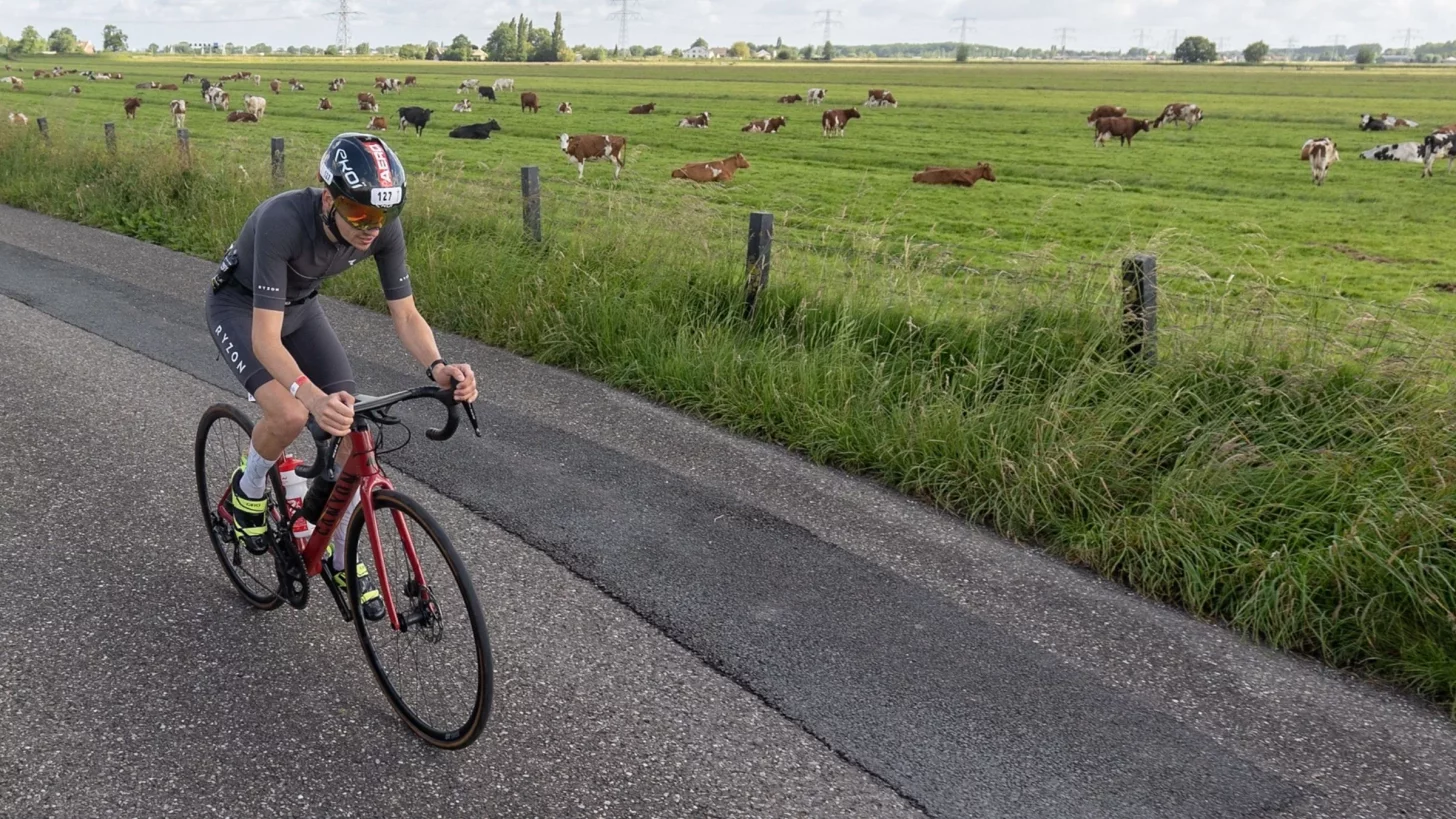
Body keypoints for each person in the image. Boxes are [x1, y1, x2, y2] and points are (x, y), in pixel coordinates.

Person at [206, 132, 477, 619]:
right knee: (288, 414)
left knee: (352, 428)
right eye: (361, 215)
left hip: (301, 310)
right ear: (328, 198)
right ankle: (247, 491)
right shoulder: (281, 220)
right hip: (240, 309)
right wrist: (308, 397)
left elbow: (407, 315)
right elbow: (266, 341)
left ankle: (332, 542)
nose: (373, 228)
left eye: (384, 215)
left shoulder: (379, 226)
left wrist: (438, 366)